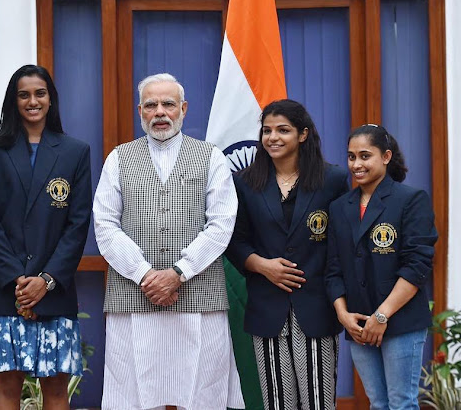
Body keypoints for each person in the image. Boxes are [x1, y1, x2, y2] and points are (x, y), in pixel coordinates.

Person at [93, 73, 244, 410]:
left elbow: (221, 224)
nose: (160, 112)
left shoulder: (211, 157)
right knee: (131, 394)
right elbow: (104, 225)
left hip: (198, 294)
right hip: (134, 295)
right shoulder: (118, 158)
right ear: (140, 111)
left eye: (168, 104)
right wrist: (147, 275)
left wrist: (178, 273)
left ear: (183, 109)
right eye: (151, 105)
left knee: (203, 392)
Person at [0, 64, 91, 410]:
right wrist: (17, 280)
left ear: (51, 99)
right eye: (23, 94)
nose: (32, 101)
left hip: (54, 292)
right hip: (4, 290)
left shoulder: (74, 152)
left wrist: (46, 280)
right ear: (13, 101)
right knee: (7, 391)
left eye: (40, 93)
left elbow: (78, 224)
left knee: (55, 391)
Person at [225, 99, 349, 410]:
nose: (273, 137)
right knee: (278, 401)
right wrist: (263, 266)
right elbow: (235, 242)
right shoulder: (245, 182)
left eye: (283, 130)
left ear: (303, 134)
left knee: (318, 401)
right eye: (267, 131)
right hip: (267, 306)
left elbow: (342, 244)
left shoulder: (332, 180)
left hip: (317, 305)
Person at [325, 124, 437, 409]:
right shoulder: (339, 207)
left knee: (401, 403)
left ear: (386, 157)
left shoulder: (410, 200)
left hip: (399, 321)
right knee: (378, 403)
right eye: (351, 157)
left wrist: (382, 316)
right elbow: (333, 267)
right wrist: (343, 315)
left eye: (365, 156)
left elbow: (417, 264)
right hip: (359, 324)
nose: (356, 164)